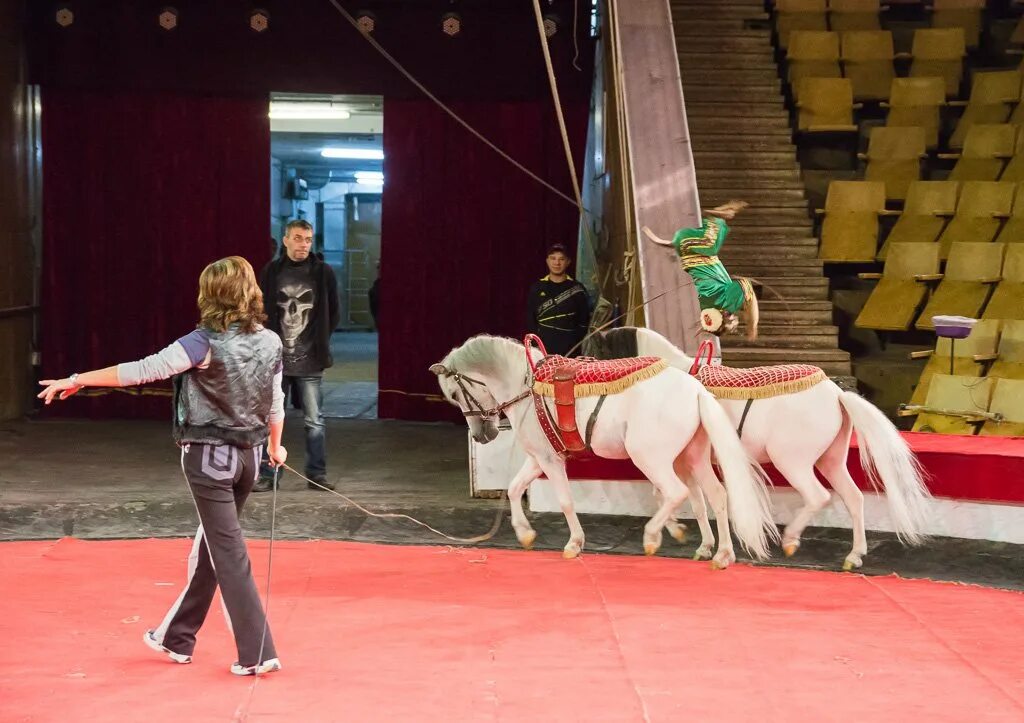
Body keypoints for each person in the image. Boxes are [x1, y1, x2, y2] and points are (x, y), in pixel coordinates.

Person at [37, 256, 285, 676]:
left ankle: (258, 651)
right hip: (248, 459)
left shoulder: (201, 342)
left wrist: (78, 377)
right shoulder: (271, 342)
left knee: (227, 551)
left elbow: (143, 370)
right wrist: (276, 448)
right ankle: (177, 636)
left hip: (209, 459)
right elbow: (276, 400)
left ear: (212, 295)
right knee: (213, 546)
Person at [256, 219, 340, 492]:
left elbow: (333, 311)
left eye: (307, 239)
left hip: (310, 360)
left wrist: (319, 341)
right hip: (275, 361)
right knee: (270, 420)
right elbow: (260, 310)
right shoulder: (271, 272)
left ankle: (317, 475)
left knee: (314, 421)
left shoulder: (322, 272)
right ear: (286, 240)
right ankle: (269, 475)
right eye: (298, 238)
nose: (304, 244)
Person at [642, 200, 759, 340]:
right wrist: (707, 326)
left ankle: (717, 218)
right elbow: (711, 318)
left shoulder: (723, 302)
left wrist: (752, 326)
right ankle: (717, 218)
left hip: (694, 246)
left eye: (730, 327)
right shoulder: (709, 304)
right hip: (686, 248)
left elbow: (748, 288)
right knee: (711, 248)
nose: (734, 327)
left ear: (724, 316)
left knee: (711, 244)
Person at [526, 243, 591, 357]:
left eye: (561, 259)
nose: (557, 263)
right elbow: (530, 319)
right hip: (543, 348)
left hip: (570, 350)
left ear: (568, 262)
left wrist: (576, 343)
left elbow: (584, 322)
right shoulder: (537, 287)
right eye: (553, 258)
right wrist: (536, 346)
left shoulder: (577, 289)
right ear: (547, 261)